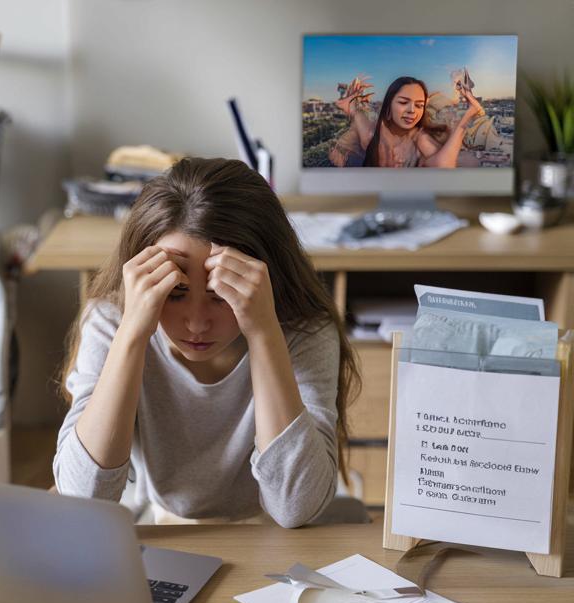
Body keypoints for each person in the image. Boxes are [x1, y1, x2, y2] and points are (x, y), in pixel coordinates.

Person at [53, 158, 359, 527]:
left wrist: (264, 331)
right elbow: (83, 500)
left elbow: (296, 507)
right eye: (175, 292)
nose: (197, 323)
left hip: (271, 532)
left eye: (221, 294)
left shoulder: (305, 332)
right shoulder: (111, 322)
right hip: (163, 524)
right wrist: (132, 332)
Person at [335, 75, 484, 168]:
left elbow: (443, 165)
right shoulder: (371, 135)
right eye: (403, 102)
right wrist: (350, 105)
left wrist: (469, 114)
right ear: (388, 104)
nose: (412, 110)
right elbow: (358, 117)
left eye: (419, 105)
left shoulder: (420, 137)